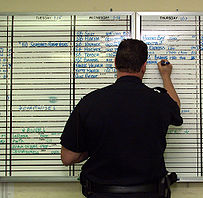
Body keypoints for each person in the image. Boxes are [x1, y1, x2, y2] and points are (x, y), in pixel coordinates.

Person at [60, 39, 183, 198]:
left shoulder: (90, 102)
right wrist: (166, 76)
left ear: (115, 63)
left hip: (100, 194)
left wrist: (96, 148)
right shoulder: (160, 102)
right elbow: (175, 108)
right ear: (144, 66)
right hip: (150, 193)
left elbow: (68, 157)